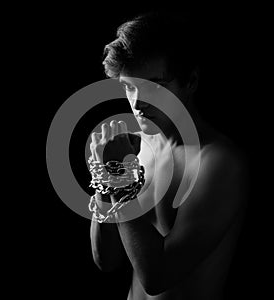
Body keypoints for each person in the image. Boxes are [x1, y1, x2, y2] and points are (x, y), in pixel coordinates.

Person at [89, 11, 248, 300]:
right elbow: (106, 260)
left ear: (190, 82)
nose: (138, 102)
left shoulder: (218, 163)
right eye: (129, 87)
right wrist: (104, 174)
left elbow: (156, 276)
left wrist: (118, 175)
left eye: (155, 86)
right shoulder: (136, 148)